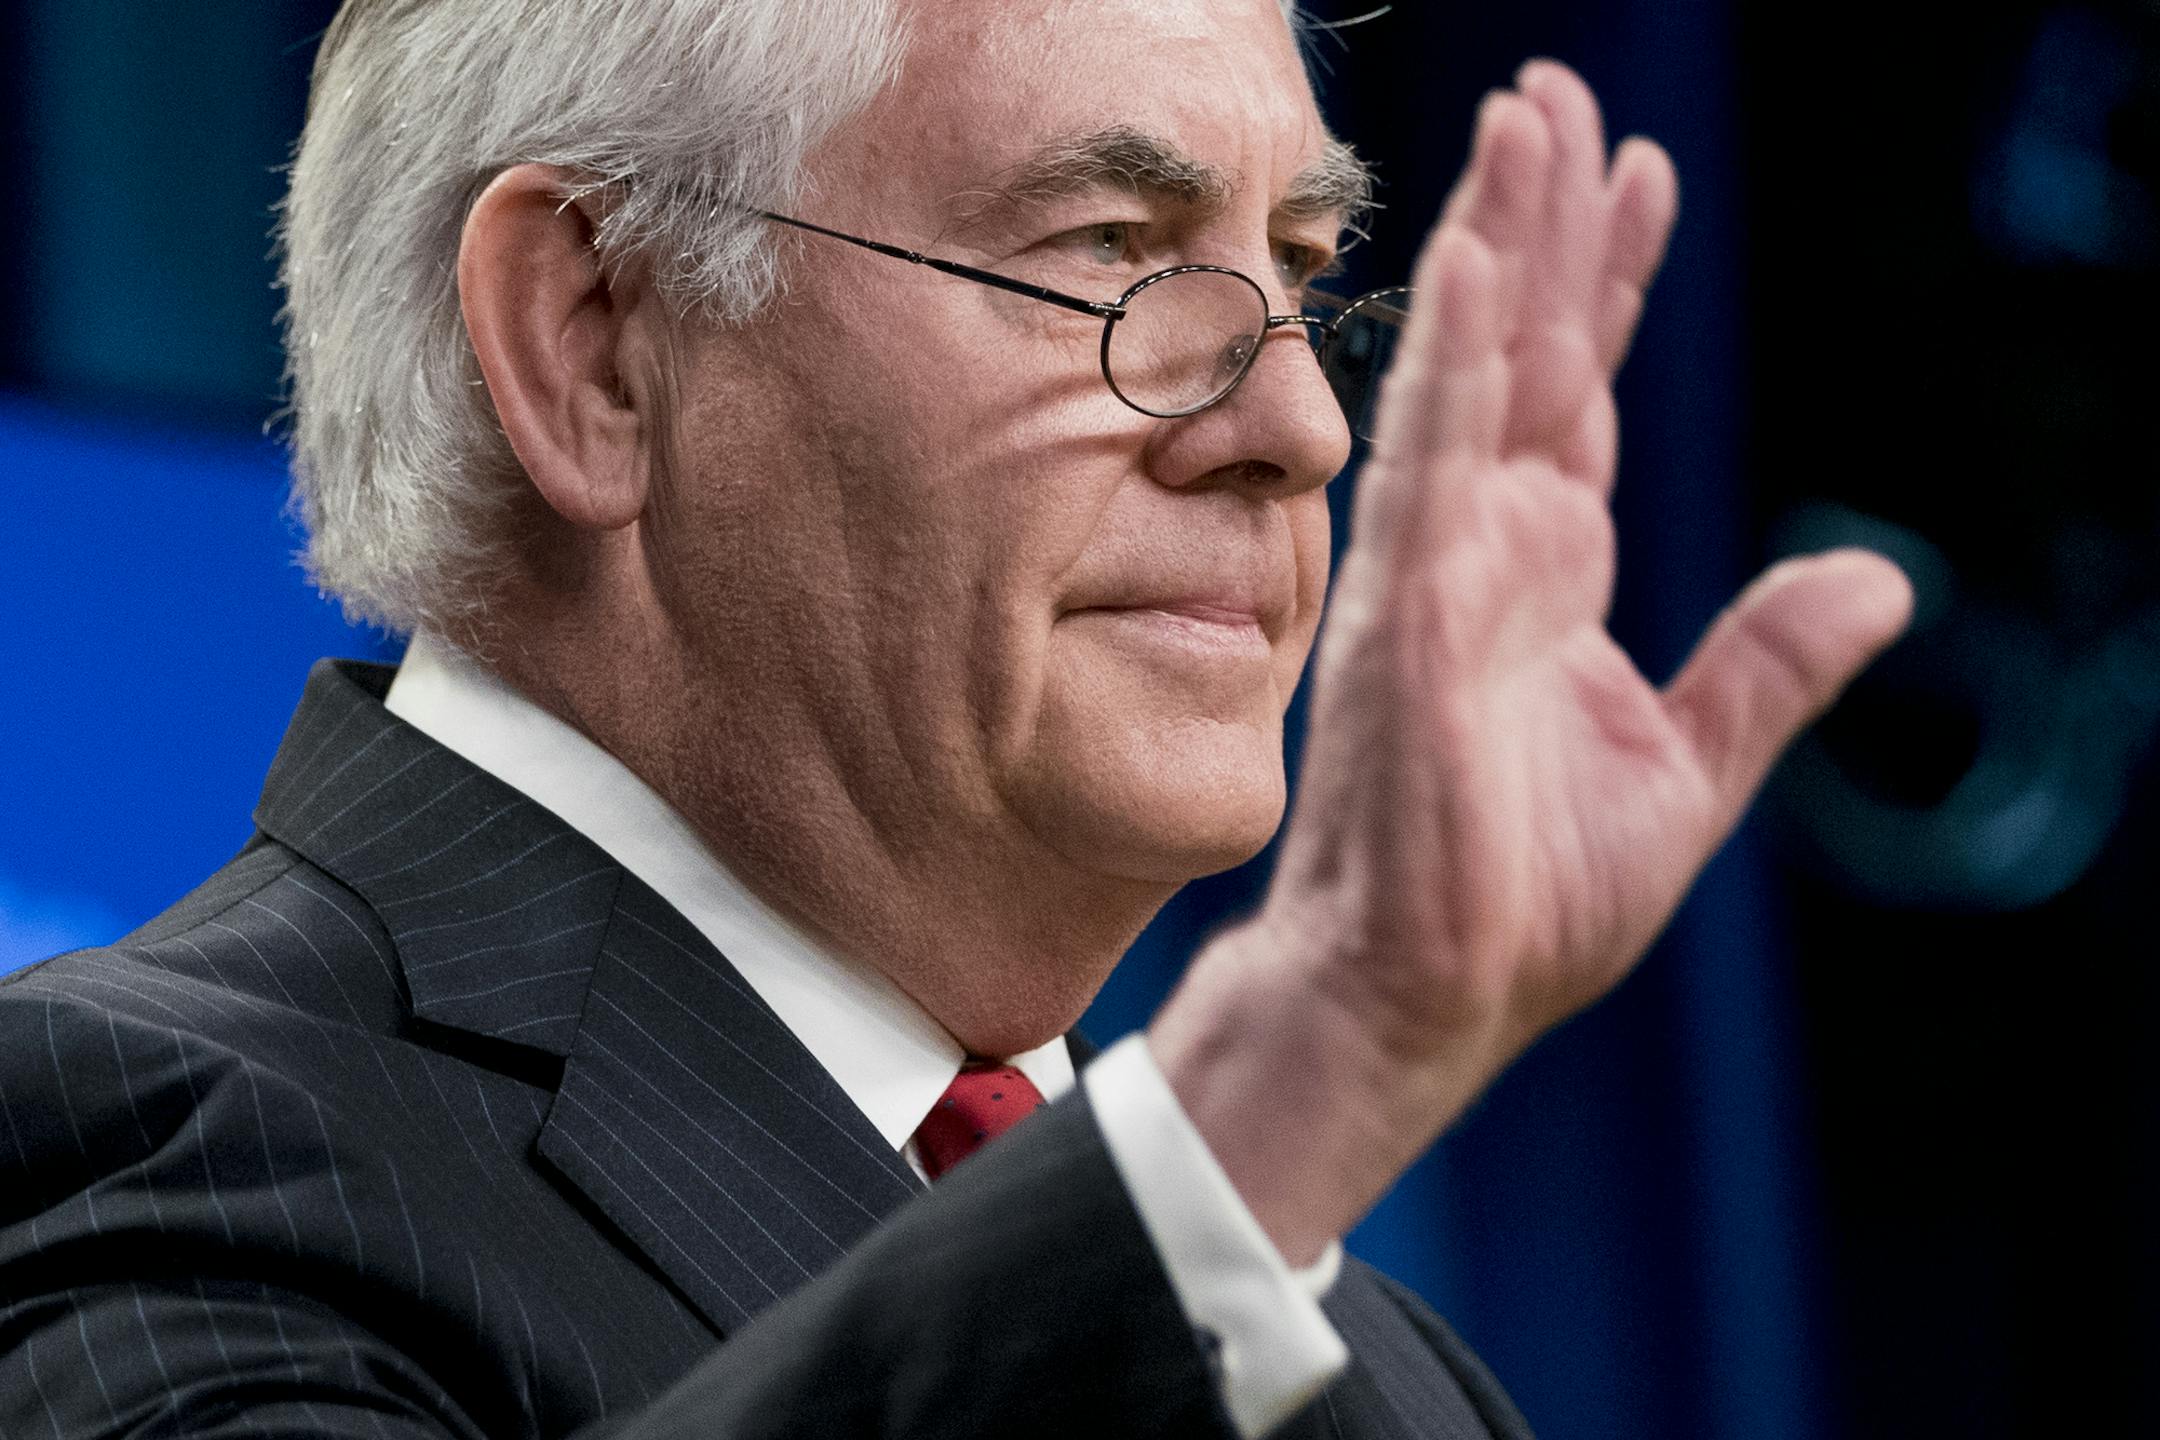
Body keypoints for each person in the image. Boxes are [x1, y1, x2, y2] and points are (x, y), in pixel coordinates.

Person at [0, 0, 1913, 1436]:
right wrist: (1303, 1073)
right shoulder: (142, 1144)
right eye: (1110, 251)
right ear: (593, 349)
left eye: (1302, 276)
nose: (1297, 427)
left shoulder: (1375, 1371)